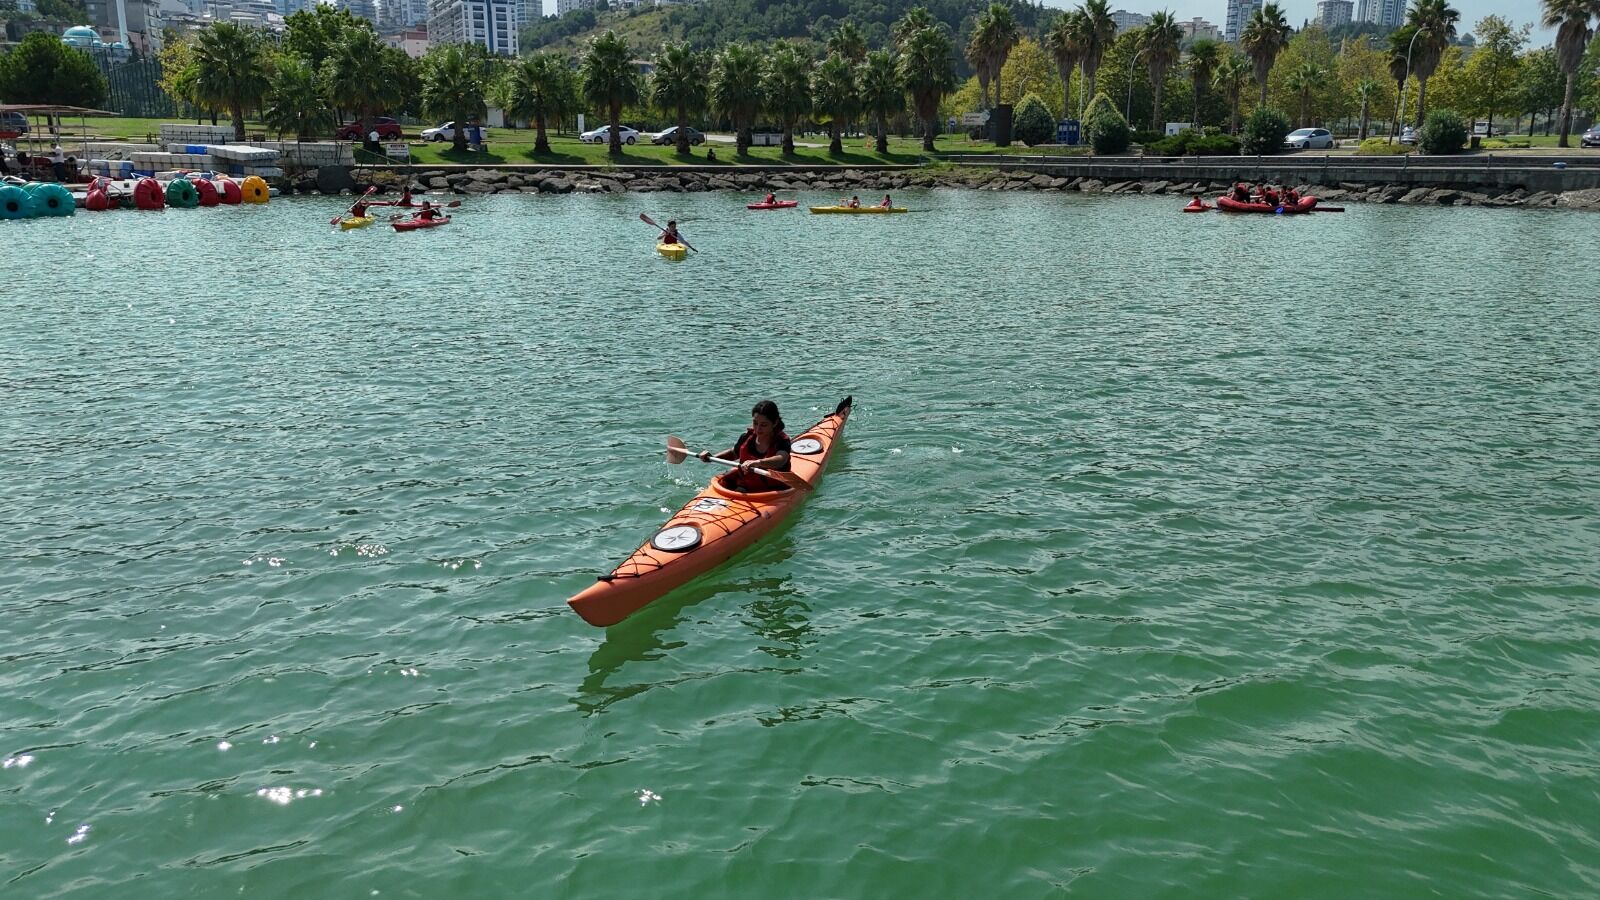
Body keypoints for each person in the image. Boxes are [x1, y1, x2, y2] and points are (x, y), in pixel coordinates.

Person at [698, 400, 793, 493]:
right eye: (755, 423)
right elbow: (734, 453)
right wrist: (712, 458)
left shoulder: (782, 441)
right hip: (746, 486)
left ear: (775, 423)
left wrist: (758, 462)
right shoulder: (747, 437)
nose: (758, 428)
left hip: (772, 490)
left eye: (763, 425)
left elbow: (781, 460)